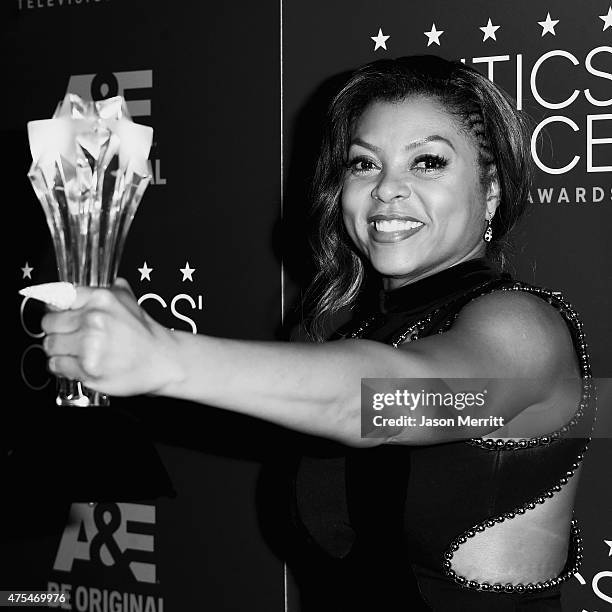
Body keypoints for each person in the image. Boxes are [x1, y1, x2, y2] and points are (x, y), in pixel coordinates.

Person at [41, 56, 593, 611]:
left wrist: (165, 357)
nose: (386, 191)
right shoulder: (341, 329)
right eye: (363, 164)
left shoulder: (524, 328)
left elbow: (386, 402)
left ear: (492, 190)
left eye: (427, 162)